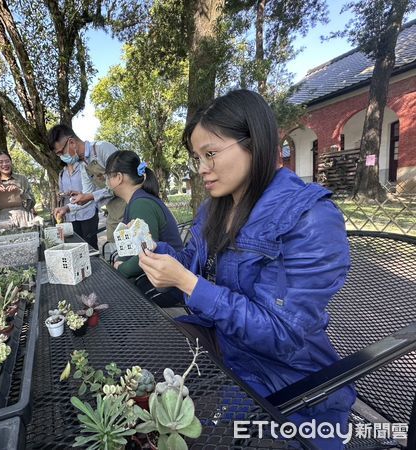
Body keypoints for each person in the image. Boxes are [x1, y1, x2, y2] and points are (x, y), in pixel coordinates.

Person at [138, 90, 355, 449]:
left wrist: (190, 285)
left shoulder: (310, 217)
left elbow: (283, 335)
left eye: (211, 154)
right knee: (141, 354)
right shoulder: (214, 209)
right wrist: (158, 256)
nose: (202, 168)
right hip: (226, 346)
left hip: (285, 380)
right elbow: (194, 267)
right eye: (197, 157)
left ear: (254, 142)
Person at [104, 151, 184, 306]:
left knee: (113, 296)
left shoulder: (141, 204)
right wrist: (120, 262)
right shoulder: (138, 200)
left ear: (118, 178)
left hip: (169, 284)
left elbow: (149, 251)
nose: (107, 182)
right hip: (158, 275)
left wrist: (122, 269)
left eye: (108, 177)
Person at [48, 124, 126, 243]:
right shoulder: (84, 166)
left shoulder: (103, 149)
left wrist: (89, 196)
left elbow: (121, 183)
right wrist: (67, 208)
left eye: (61, 153)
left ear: (72, 142)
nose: (62, 158)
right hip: (114, 212)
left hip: (130, 207)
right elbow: (87, 194)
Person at [52, 160, 99, 249]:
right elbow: (61, 191)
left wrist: (80, 194)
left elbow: (92, 190)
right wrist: (62, 194)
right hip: (71, 215)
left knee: (90, 245)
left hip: (87, 212)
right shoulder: (62, 173)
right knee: (76, 245)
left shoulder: (84, 167)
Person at [0, 152, 36, 225]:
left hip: (24, 218)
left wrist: (20, 192)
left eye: (7, 161)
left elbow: (32, 202)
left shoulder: (22, 179)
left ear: (11, 162)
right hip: (3, 220)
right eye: (1, 162)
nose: (5, 164)